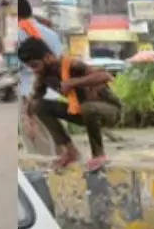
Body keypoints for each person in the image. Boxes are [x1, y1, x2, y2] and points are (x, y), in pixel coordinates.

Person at [17, 37, 121, 172]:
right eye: (31, 67)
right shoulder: (43, 77)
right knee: (41, 106)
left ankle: (98, 155)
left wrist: (73, 82)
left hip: (110, 111)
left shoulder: (71, 64)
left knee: (88, 107)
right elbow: (34, 100)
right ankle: (70, 151)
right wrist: (28, 120)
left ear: (48, 57)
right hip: (83, 113)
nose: (34, 70)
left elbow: (105, 76)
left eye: (36, 65)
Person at [16, 0, 62, 154]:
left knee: (37, 144)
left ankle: (44, 175)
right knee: (57, 139)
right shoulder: (51, 34)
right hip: (54, 93)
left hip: (30, 94)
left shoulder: (18, 34)